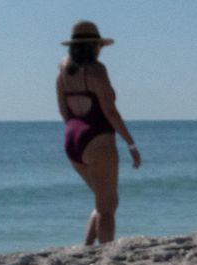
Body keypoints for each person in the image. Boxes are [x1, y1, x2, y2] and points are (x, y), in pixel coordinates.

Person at [56, 20, 140, 245]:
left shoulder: (63, 69)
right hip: (97, 136)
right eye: (99, 45)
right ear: (93, 46)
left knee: (103, 201)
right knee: (107, 207)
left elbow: (64, 111)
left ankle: (87, 249)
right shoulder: (96, 70)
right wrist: (131, 144)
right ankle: (106, 253)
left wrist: (77, 131)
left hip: (72, 138)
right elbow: (110, 111)